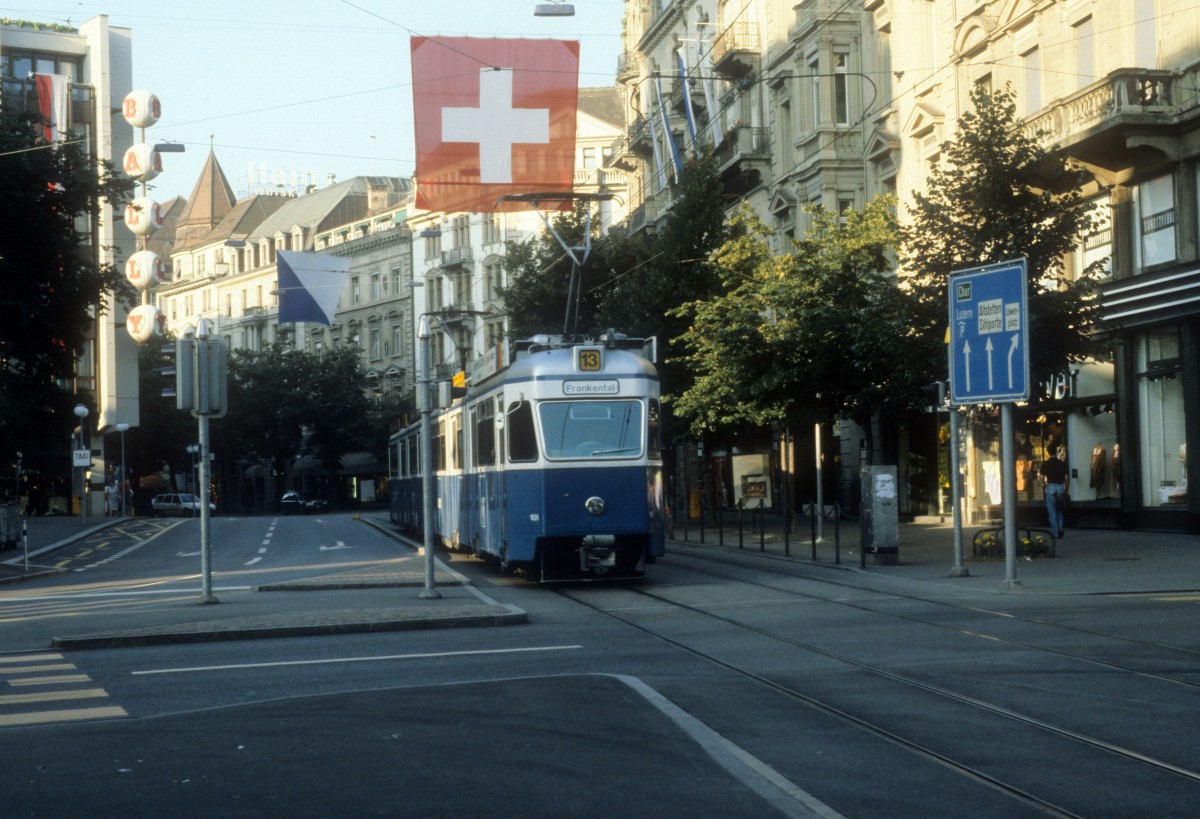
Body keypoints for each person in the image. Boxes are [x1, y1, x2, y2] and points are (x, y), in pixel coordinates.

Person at [1039, 448, 1068, 538]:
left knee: (1052, 511)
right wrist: (1065, 488)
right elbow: (1066, 478)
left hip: (1050, 486)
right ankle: (1061, 527)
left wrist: (1045, 485)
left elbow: (1041, 477)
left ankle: (1055, 532)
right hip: (1060, 486)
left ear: (1048, 452)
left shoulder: (1045, 463)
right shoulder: (1062, 463)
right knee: (1059, 509)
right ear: (1056, 452)